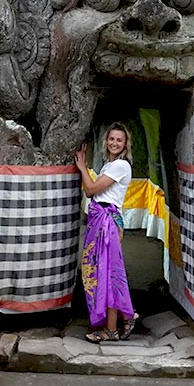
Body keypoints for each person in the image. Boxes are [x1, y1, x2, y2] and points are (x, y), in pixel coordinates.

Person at [74, 123, 138, 343]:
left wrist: (83, 168)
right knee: (103, 273)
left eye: (119, 140)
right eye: (111, 139)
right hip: (102, 220)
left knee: (108, 275)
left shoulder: (120, 166)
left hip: (107, 223)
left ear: (125, 144)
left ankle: (111, 329)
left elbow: (91, 190)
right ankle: (125, 316)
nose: (114, 143)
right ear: (106, 141)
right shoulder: (109, 165)